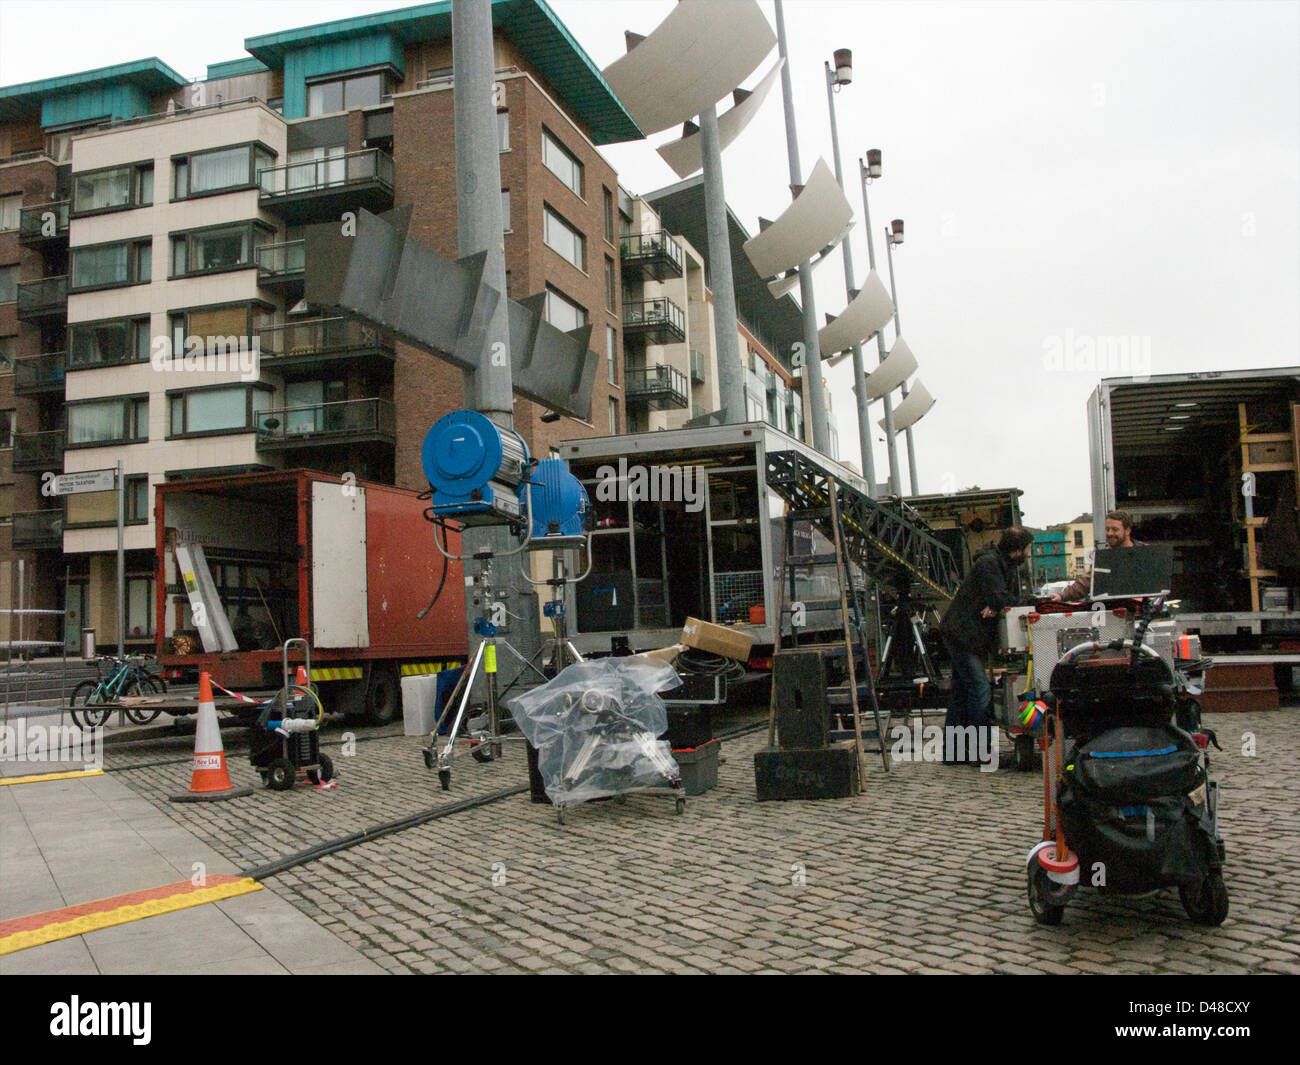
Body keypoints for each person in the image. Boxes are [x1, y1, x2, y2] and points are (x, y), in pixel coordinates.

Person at [938, 527, 1034, 764]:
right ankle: (980, 752)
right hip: (963, 636)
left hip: (962, 634)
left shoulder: (995, 564)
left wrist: (997, 606)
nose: (1029, 554)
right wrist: (1025, 602)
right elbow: (998, 598)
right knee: (980, 689)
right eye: (1027, 549)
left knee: (962, 693)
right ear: (1017, 551)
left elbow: (996, 600)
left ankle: (954, 753)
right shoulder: (991, 565)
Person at [1052, 509, 1143, 602]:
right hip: (1114, 610)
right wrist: (1062, 596)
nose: (1109, 533)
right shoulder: (1103, 557)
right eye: (1107, 529)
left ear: (1127, 531)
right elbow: (1086, 583)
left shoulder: (1145, 552)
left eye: (1115, 529)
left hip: (1143, 610)